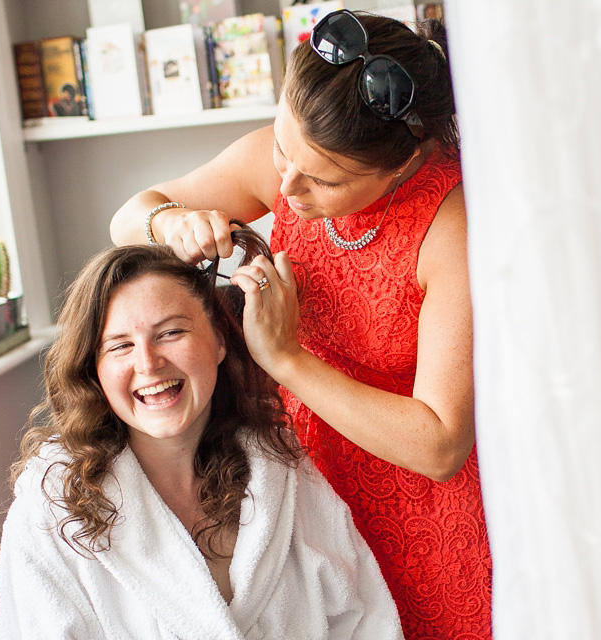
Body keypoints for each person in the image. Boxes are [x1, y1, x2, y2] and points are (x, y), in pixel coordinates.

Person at [109, 10, 491, 638]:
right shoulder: (276, 165)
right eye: (284, 150)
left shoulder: (451, 224)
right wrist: (171, 223)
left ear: (399, 167)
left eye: (323, 179)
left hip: (426, 516)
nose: (287, 188)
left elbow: (441, 445)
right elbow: (131, 215)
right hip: (301, 497)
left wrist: (285, 359)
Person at [0, 235, 403, 639]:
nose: (148, 363)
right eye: (119, 346)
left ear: (219, 341)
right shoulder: (51, 510)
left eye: (170, 332)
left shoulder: (282, 470)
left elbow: (365, 617)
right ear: (93, 369)